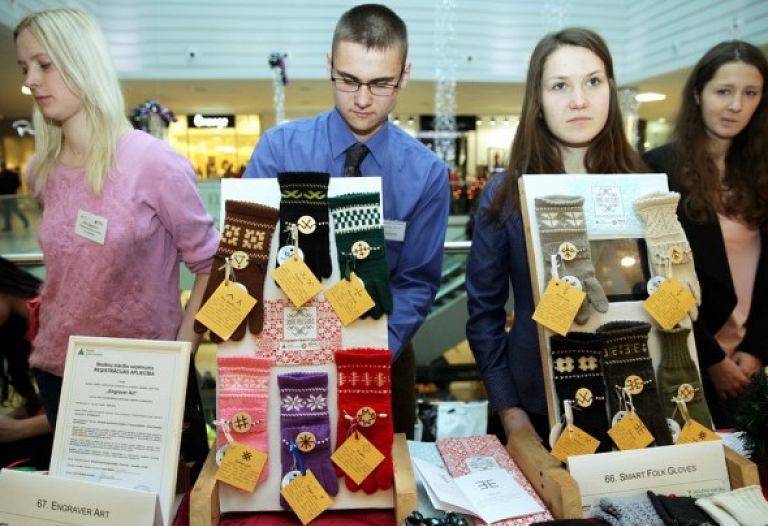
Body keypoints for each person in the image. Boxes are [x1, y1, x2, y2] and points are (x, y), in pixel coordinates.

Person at [244, 4, 450, 439]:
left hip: (383, 358)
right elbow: (249, 259)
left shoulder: (426, 173)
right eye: (349, 80)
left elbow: (416, 282)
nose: (361, 99)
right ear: (329, 67)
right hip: (285, 351)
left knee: (381, 492)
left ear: (405, 76)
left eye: (380, 84)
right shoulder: (278, 151)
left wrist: (371, 354)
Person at [14, 8, 219, 431]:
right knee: (77, 501)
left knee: (150, 499)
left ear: (82, 61)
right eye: (24, 67)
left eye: (44, 64)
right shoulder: (42, 169)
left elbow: (212, 265)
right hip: (59, 377)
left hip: (140, 381)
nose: (31, 79)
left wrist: (181, 358)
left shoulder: (154, 164)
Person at [466, 28, 645, 444]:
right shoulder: (507, 193)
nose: (578, 100)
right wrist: (509, 411)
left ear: (611, 90)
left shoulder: (641, 186)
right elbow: (484, 315)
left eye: (593, 82)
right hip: (533, 408)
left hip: (632, 399)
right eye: (560, 85)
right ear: (539, 101)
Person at [643, 41, 768, 429]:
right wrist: (712, 359)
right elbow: (653, 281)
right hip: (683, 353)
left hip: (748, 361)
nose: (736, 105)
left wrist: (756, 349)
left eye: (750, 93)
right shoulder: (656, 168)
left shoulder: (762, 169)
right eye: (723, 91)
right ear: (698, 93)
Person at [0, 257, 52, 470]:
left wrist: (19, 429)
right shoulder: (21, 325)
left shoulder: (51, 315)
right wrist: (24, 412)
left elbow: (85, 405)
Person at [1, 161, 29, 232]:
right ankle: (9, 225)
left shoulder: (4, 175)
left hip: (7, 196)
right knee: (11, 210)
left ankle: (10, 225)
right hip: (10, 195)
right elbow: (18, 183)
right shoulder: (11, 174)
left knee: (11, 210)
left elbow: (17, 183)